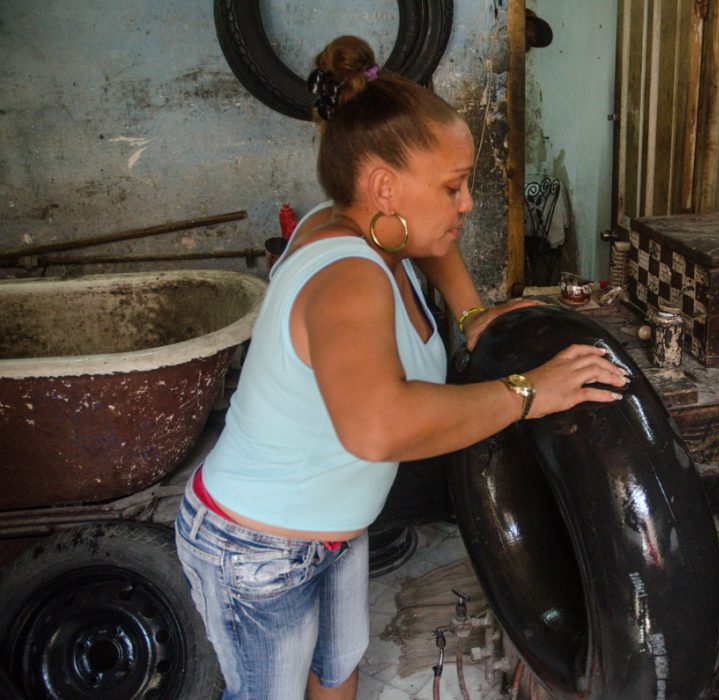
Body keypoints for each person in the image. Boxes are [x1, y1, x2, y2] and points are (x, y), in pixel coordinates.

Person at [174, 35, 626, 700]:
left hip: (330, 534)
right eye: (452, 187)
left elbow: (430, 246)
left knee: (339, 670)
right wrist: (530, 391)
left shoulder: (360, 226)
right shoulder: (348, 277)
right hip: (254, 548)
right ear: (385, 186)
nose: (467, 205)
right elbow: (379, 428)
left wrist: (472, 314)